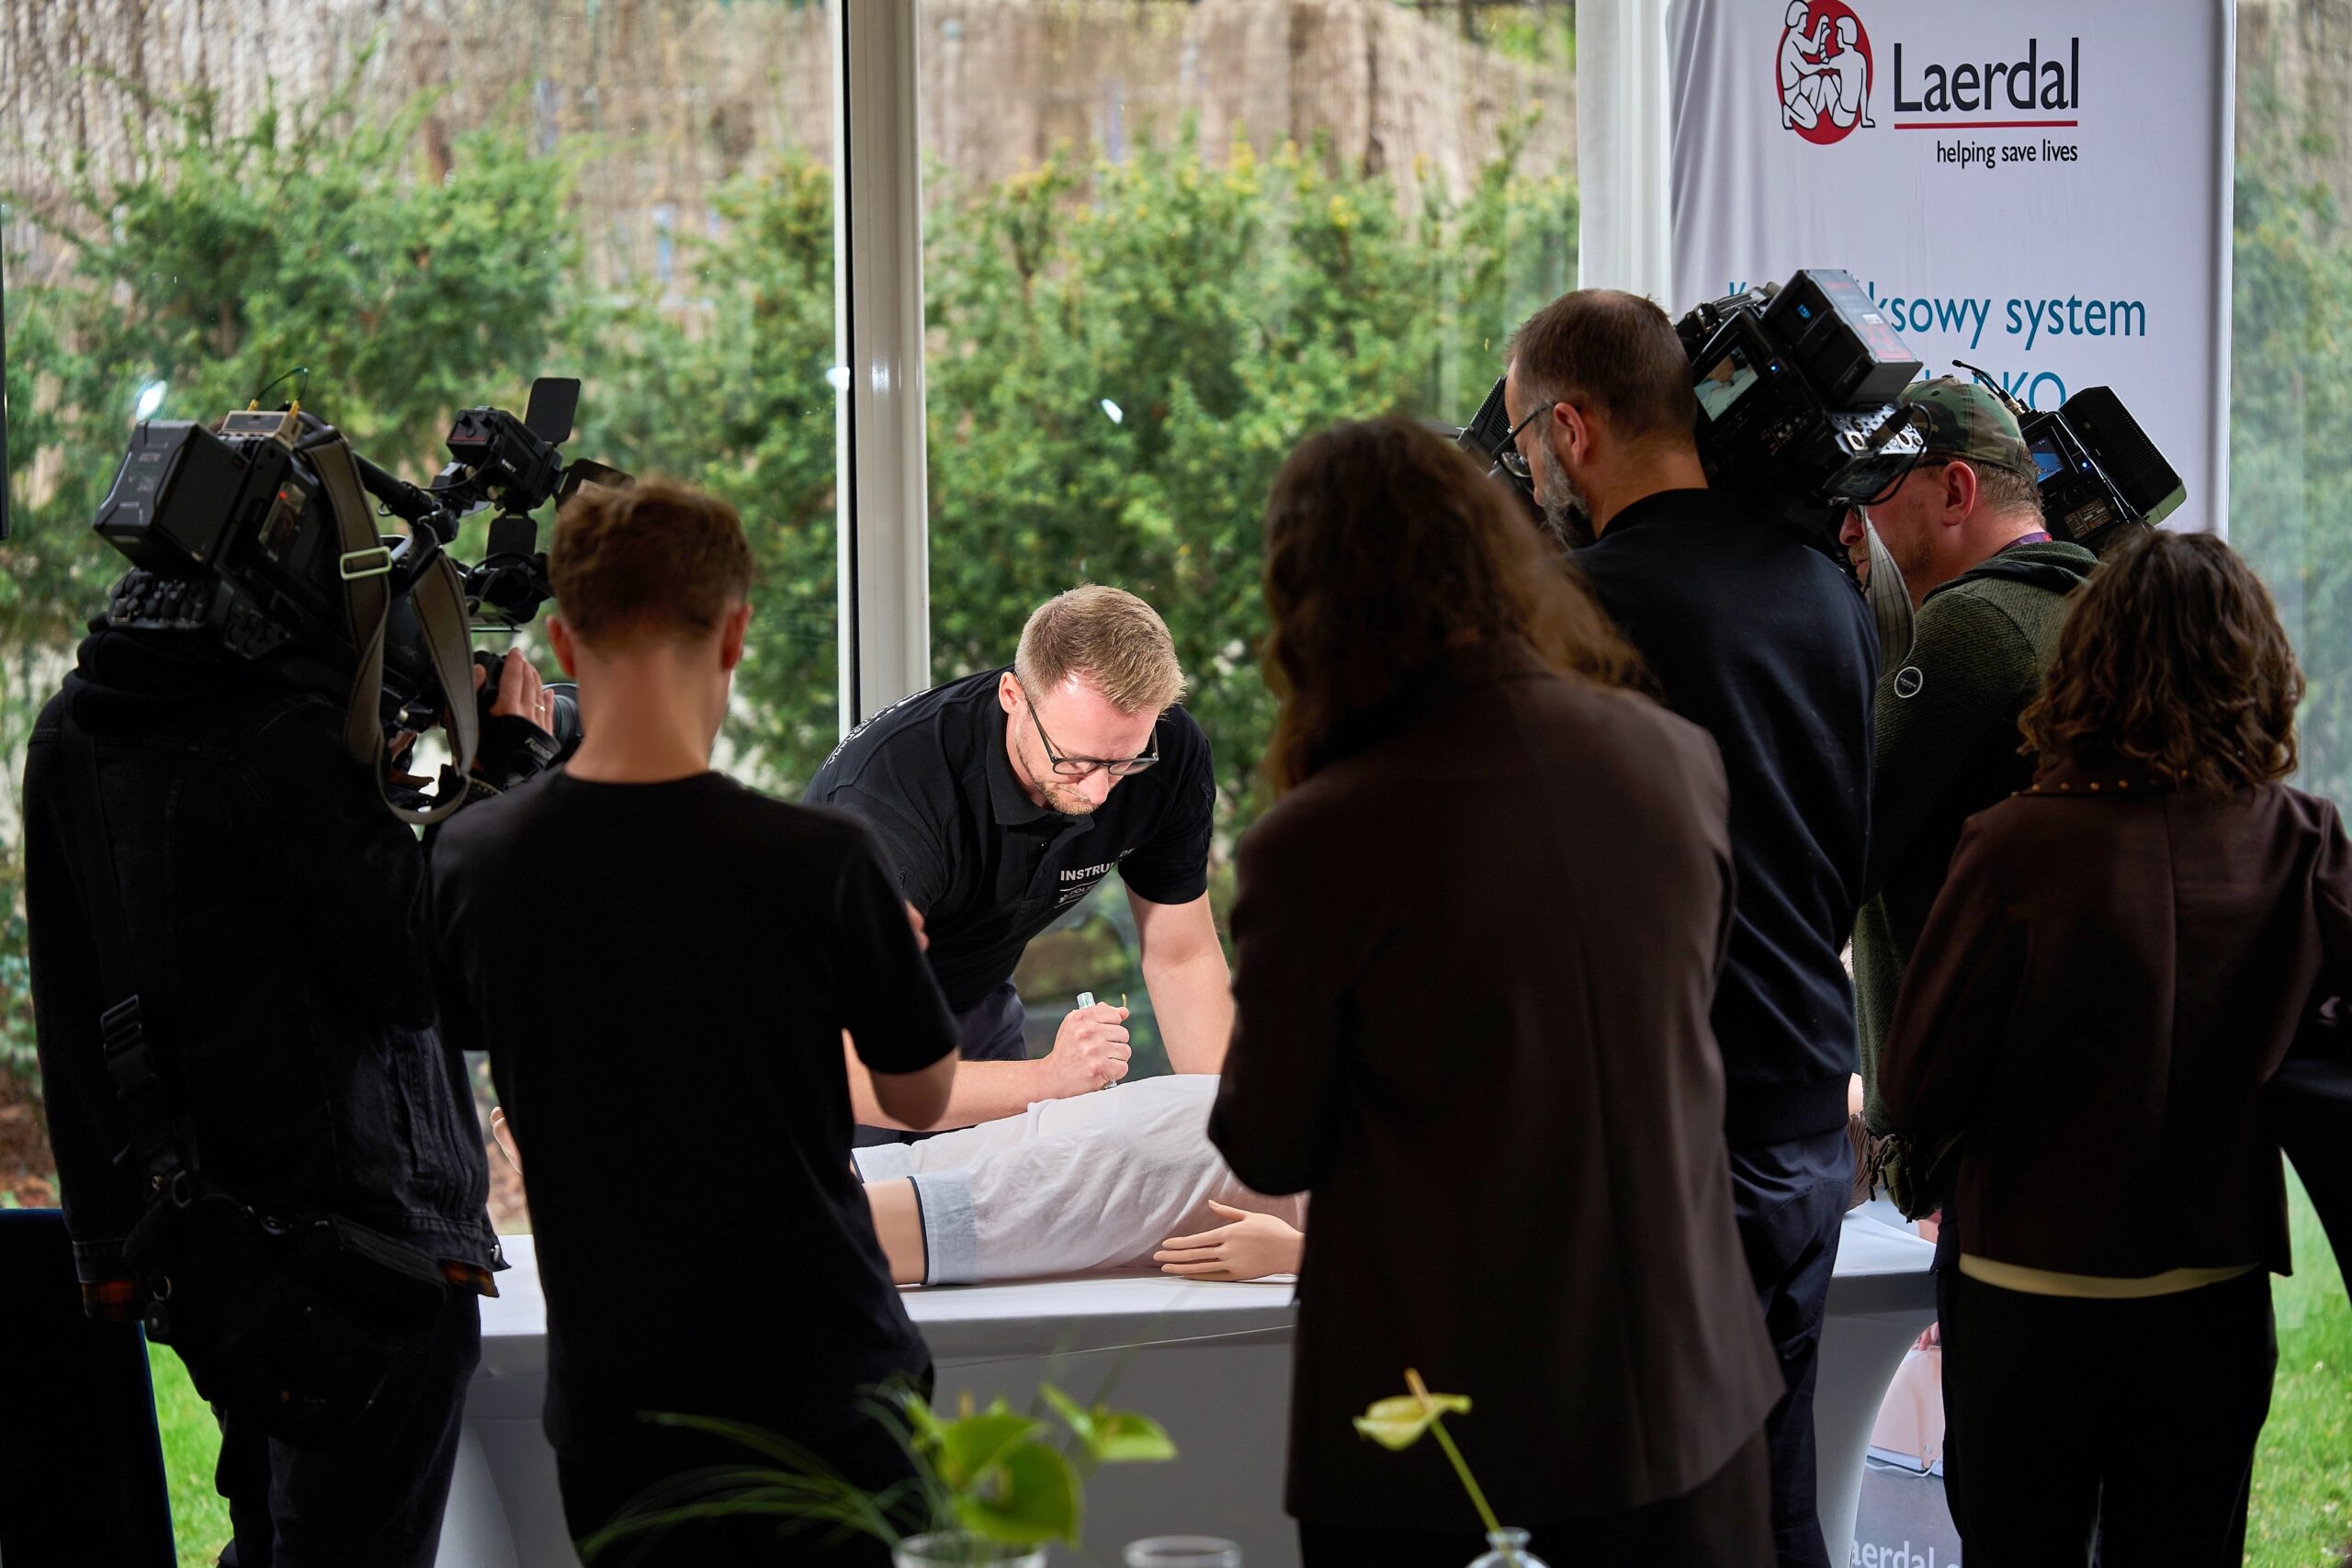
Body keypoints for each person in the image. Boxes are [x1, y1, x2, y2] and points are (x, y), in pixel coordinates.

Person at [1210, 416, 1782, 1568]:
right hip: (1687, 1393)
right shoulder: (1673, 759)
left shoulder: (1319, 840)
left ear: (1314, 606)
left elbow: (1267, 1142)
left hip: (1450, 1427)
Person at [429, 479, 959, 1564]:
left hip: (622, 1411)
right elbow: (921, 1095)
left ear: (565, 643)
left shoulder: (476, 862)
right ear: (733, 635)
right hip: (830, 1389)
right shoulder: (823, 862)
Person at [24, 585, 552, 1562]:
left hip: (213, 1244)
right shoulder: (282, 733)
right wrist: (502, 771)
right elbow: (432, 974)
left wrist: (113, 1249)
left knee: (274, 1536)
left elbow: (74, 999)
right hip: (369, 1257)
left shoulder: (78, 725)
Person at [1878, 528, 2351, 1564]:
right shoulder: (2302, 841)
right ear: (2255, 670)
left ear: (2088, 662)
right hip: (2211, 1295)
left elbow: (1915, 1083)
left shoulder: (2012, 843)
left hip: (2026, 1292)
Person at [1505, 288, 1876, 1568]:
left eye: (1527, 443)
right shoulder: (1825, 588)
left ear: (1571, 428)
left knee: (1641, 1513)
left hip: (1661, 1144)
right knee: (1773, 1496)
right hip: (1803, 1118)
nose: (1530, 476)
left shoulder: (1570, 613)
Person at [806, 584, 1229, 1145]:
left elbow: (1181, 956)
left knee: (1014, 1190)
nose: (1100, 792)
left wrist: (1233, 1138)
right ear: (1013, 696)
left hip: (979, 991)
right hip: (836, 1030)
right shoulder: (894, 798)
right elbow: (846, 1065)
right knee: (876, 1196)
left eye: (1125, 762)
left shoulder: (1166, 751)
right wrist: (1046, 1079)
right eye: (1075, 761)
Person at [1836, 379, 2096, 1138]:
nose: (1849, 530)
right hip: (2047, 1097)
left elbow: (1841, 848)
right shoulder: (2089, 603)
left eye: (1872, 492)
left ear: (1955, 491)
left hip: (1971, 1126)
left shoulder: (1973, 622)